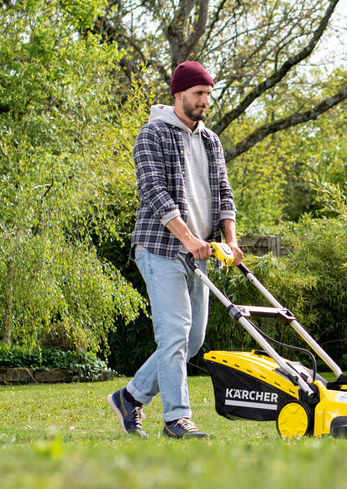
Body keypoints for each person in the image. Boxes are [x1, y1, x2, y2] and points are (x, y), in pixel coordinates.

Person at [107, 61, 244, 439]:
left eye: (208, 95)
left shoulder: (211, 140)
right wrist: (188, 239)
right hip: (160, 247)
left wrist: (229, 241)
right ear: (178, 93)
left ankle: (130, 397)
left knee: (192, 339)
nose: (205, 101)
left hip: (200, 254)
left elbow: (224, 194)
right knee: (174, 335)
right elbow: (153, 192)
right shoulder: (152, 134)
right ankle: (176, 418)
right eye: (199, 94)